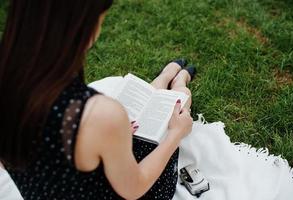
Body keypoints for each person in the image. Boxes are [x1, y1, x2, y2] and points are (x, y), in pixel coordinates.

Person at [0, 0, 196, 199]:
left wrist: (101, 142)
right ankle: (180, 81)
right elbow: (133, 189)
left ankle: (164, 77)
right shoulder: (98, 115)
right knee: (179, 106)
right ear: (83, 25)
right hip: (117, 189)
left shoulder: (11, 81)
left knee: (149, 105)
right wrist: (175, 135)